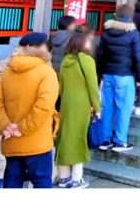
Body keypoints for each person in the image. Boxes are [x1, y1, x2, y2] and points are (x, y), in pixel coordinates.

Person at [0, 32, 59, 188]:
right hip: (37, 140)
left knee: (12, 182)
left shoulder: (6, 73)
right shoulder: (47, 73)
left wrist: (5, 126)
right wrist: (22, 128)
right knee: (41, 183)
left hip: (11, 141)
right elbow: (44, 106)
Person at [55, 28, 101, 188]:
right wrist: (97, 107)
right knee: (79, 138)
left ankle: (63, 177)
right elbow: (93, 87)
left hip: (66, 103)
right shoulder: (87, 60)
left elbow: (61, 86)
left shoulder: (65, 60)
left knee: (65, 137)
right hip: (82, 104)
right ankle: (76, 178)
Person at [95, 4, 140, 152]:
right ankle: (119, 141)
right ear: (131, 16)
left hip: (108, 74)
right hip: (125, 75)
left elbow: (100, 55)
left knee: (107, 107)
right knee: (124, 108)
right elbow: (138, 57)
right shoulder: (133, 33)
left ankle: (104, 140)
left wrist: (100, 73)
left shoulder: (107, 32)